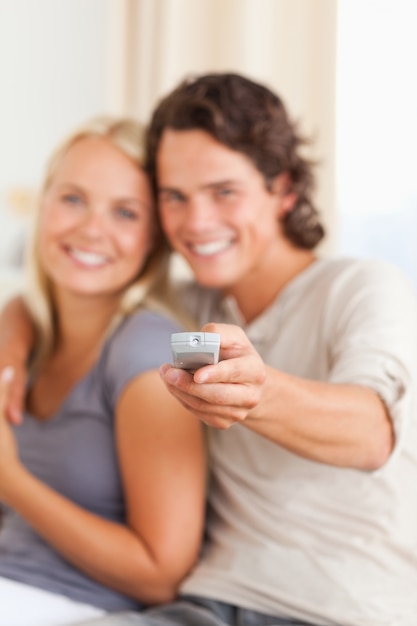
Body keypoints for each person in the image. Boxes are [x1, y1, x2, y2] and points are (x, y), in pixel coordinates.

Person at [2, 73, 417, 626]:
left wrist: (259, 391)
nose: (196, 223)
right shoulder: (191, 309)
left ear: (284, 188)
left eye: (224, 192)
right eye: (175, 197)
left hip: (334, 607)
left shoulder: (359, 287)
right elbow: (65, 293)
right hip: (208, 603)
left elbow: (372, 432)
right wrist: (12, 338)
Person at [0, 116, 206, 626]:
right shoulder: (30, 334)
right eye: (72, 199)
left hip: (67, 606)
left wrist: (11, 482)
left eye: (125, 213)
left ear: (154, 239)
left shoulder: (149, 357)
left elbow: (162, 574)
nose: (92, 229)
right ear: (43, 206)